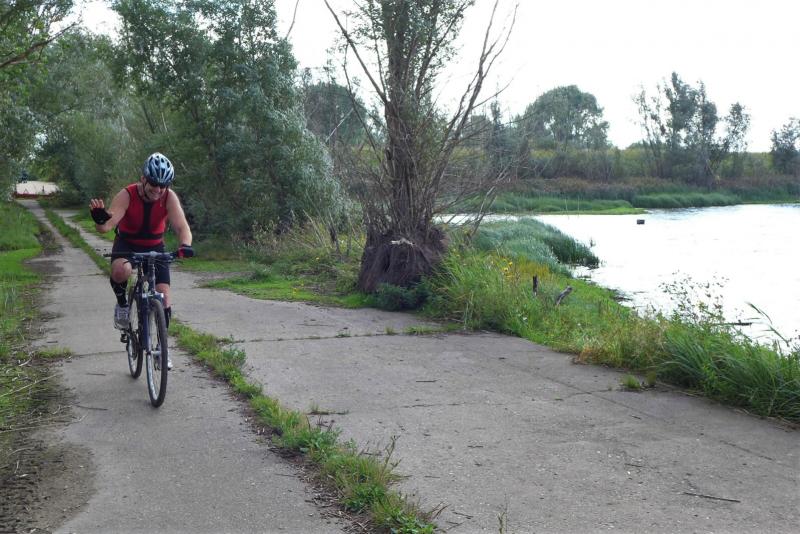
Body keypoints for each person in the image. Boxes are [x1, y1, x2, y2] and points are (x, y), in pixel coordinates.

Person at [89, 153, 194, 368]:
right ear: (144, 179)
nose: (158, 189)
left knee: (164, 296)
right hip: (127, 244)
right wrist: (100, 220)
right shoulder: (127, 195)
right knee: (121, 271)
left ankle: (161, 349)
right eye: (154, 183)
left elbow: (182, 226)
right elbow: (107, 226)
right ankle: (122, 305)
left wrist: (185, 245)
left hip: (155, 246)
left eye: (163, 185)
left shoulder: (169, 197)